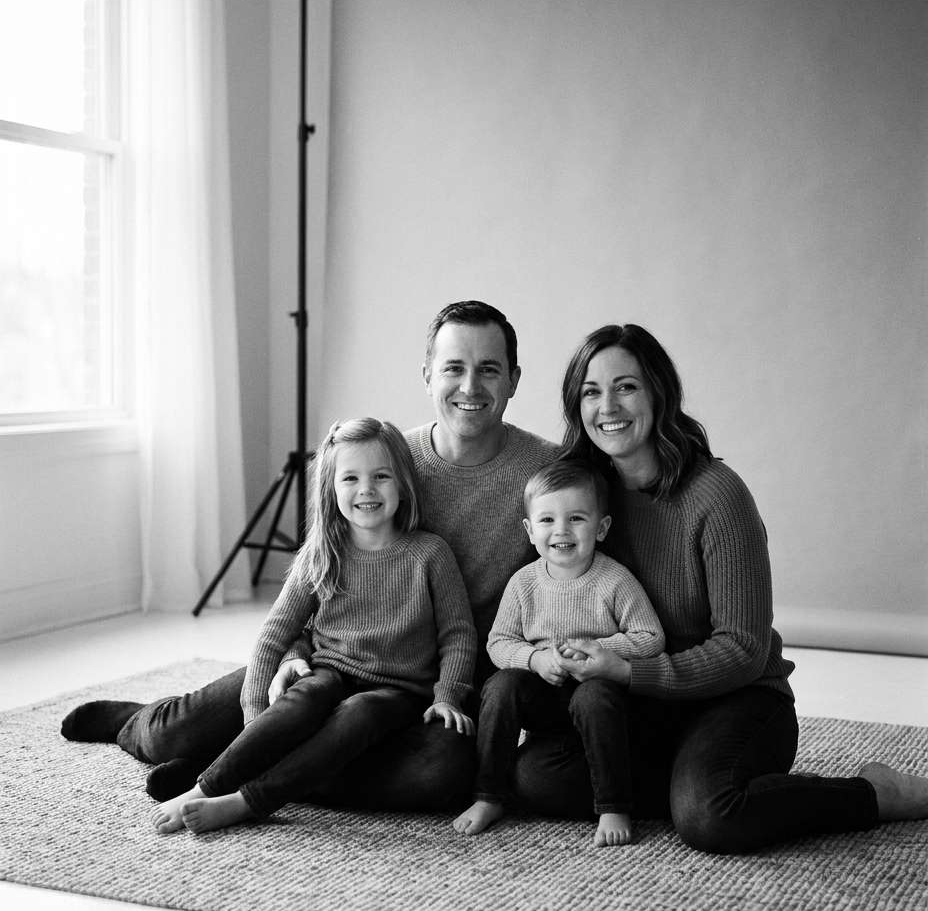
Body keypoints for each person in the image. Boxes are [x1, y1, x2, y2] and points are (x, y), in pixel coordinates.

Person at [61, 301, 558, 812]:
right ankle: (138, 722)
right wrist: (295, 656)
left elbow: (563, 580)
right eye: (454, 367)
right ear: (428, 374)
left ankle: (250, 774)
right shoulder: (388, 460)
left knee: (439, 775)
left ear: (514, 379)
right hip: (329, 662)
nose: (470, 387)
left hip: (425, 688)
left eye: (489, 369)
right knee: (174, 734)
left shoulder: (546, 474)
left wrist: (458, 692)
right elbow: (319, 577)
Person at [510, 323, 928, 853]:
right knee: (536, 777)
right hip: (642, 704)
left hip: (738, 699)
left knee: (710, 818)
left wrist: (629, 669)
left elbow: (745, 650)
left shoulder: (716, 495)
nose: (608, 405)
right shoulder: (577, 499)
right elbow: (547, 598)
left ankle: (875, 793)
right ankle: (690, 780)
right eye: (591, 391)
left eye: (626, 386)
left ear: (659, 392)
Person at [151, 417, 475, 835]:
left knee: (363, 712)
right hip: (329, 672)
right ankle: (203, 788)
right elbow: (273, 637)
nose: (366, 490)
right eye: (351, 478)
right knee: (309, 693)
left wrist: (447, 695)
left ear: (404, 483)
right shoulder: (321, 554)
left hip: (398, 692)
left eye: (381, 476)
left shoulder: (429, 554)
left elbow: (459, 635)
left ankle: (248, 801)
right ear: (331, 488)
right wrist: (255, 718)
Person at [453, 458, 664, 847]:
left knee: (595, 695)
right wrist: (535, 660)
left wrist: (598, 650)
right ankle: (488, 795)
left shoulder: (614, 579)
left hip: (599, 695)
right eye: (547, 520)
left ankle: (613, 805)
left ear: (601, 528)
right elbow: (499, 642)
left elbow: (650, 636)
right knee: (500, 687)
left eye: (577, 519)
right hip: (545, 692)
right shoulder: (524, 583)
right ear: (529, 530)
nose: (561, 531)